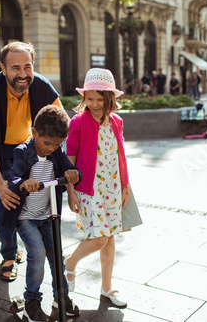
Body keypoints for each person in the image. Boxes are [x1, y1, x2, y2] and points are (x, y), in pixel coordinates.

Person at [0, 41, 63, 282]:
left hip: (28, 146)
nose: (22, 74)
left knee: (33, 197)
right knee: (6, 200)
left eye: (27, 67)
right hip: (1, 148)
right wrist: (0, 184)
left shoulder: (42, 87)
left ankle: (26, 240)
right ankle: (9, 254)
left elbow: (61, 126)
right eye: (15, 68)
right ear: (3, 68)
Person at [7, 105, 81, 321]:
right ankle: (32, 299)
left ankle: (62, 298)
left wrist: (72, 173)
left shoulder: (57, 152)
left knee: (56, 255)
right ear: (34, 133)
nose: (51, 148)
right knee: (37, 253)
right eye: (47, 142)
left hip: (48, 215)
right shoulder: (22, 151)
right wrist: (24, 183)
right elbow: (13, 178)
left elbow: (73, 170)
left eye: (56, 144)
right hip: (26, 218)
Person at [65, 68, 130, 308]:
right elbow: (69, 158)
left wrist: (125, 185)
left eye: (99, 99)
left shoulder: (116, 121)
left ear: (109, 98)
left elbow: (120, 155)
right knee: (100, 238)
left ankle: (107, 288)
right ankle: (70, 264)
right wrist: (70, 191)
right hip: (88, 188)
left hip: (112, 187)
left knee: (110, 239)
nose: (93, 103)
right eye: (89, 98)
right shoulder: (79, 121)